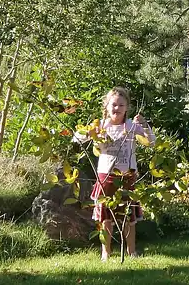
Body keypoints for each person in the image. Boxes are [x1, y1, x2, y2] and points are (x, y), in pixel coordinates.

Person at [79, 86, 155, 261]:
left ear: (127, 107)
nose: (117, 108)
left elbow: (151, 142)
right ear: (106, 106)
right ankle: (106, 252)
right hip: (106, 176)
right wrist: (89, 133)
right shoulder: (101, 125)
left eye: (121, 105)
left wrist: (144, 125)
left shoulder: (131, 126)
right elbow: (77, 138)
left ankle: (131, 251)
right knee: (105, 217)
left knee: (129, 216)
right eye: (113, 105)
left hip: (128, 176)